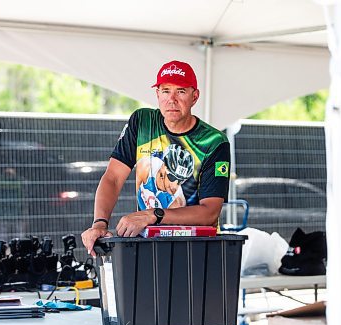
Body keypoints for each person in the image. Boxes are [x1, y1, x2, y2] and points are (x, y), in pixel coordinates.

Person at [81, 60, 231, 256]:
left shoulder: (214, 141)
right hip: (147, 248)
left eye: (181, 91)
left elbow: (210, 213)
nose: (172, 99)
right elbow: (113, 177)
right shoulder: (142, 122)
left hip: (195, 251)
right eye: (166, 90)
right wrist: (99, 223)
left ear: (195, 97)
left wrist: (153, 215)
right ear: (157, 94)